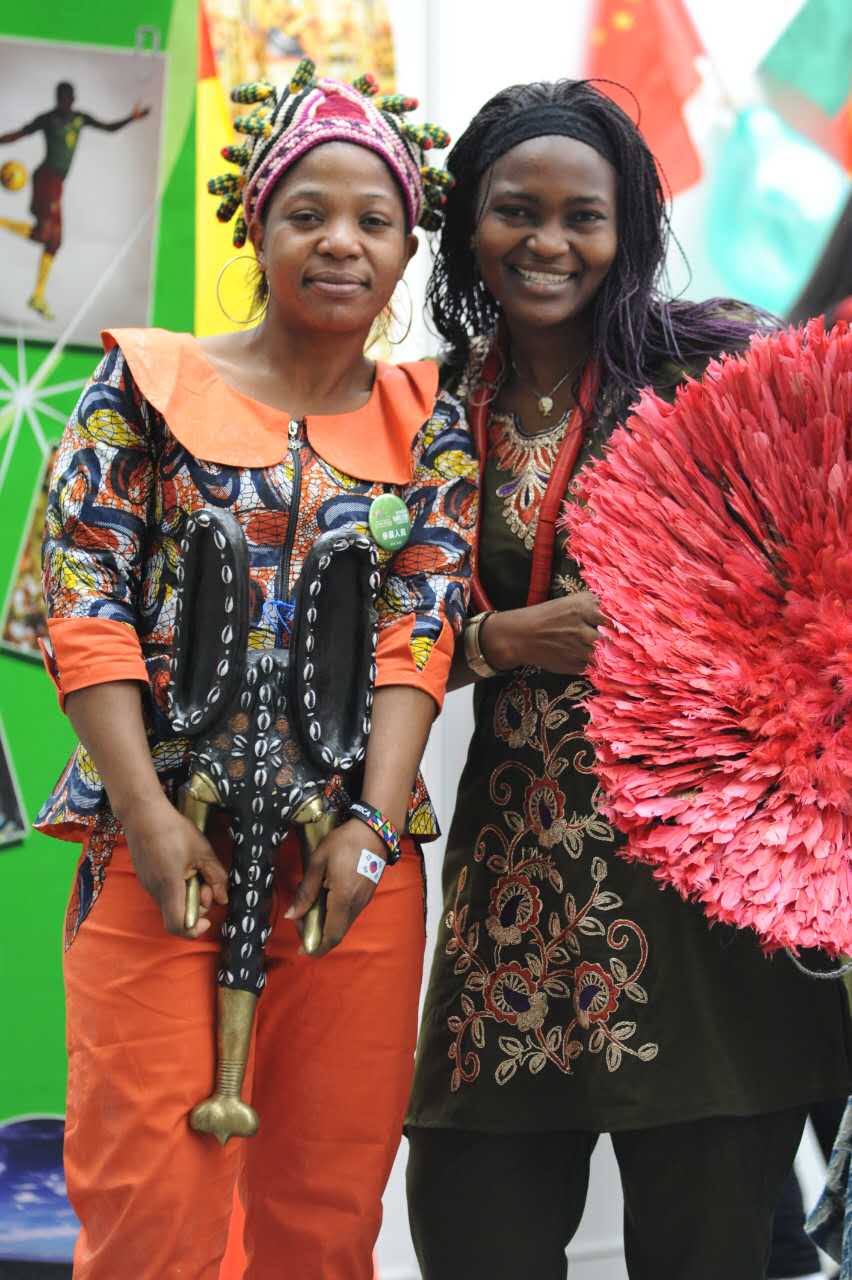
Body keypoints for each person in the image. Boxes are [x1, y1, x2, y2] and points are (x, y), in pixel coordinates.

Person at [405, 78, 852, 1280]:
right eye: (517, 210)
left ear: (630, 227)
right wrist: (502, 641)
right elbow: (370, 636)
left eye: (582, 216)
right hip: (514, 896)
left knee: (707, 1251)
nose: (547, 242)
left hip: (710, 912)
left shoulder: (717, 367)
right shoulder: (431, 407)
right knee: (470, 1234)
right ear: (469, 220)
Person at [36, 62, 477, 1280]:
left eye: (373, 221)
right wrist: (145, 815)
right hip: (156, 849)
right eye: (308, 214)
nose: (341, 242)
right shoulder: (144, 384)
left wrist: (370, 831)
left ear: (407, 249)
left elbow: (421, 630)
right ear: (256, 223)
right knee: (147, 1205)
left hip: (348, 867)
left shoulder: (433, 423)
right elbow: (85, 602)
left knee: (323, 1216)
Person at [0, 81, 150, 319]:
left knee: (54, 241)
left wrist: (131, 118)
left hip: (57, 182)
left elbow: (108, 128)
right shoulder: (47, 119)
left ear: (73, 99)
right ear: (56, 98)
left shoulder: (80, 119)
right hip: (46, 179)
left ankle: (37, 296)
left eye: (67, 98)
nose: (64, 102)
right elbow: (18, 133)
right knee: (44, 234)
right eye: (60, 97)